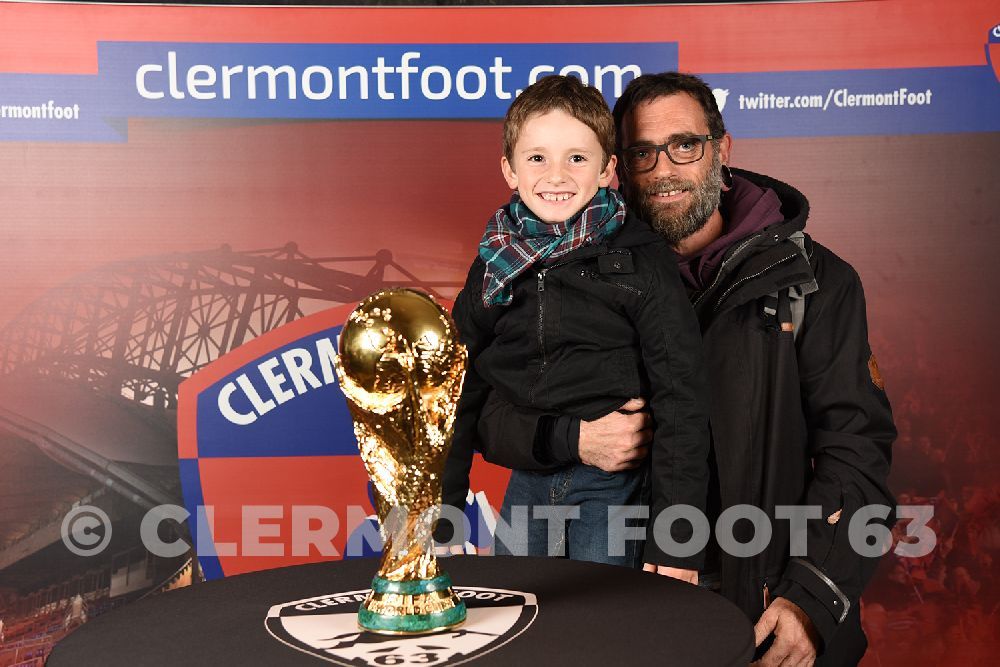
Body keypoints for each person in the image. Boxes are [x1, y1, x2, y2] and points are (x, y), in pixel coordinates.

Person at [456, 72, 896, 666]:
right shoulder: (558, 274)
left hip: (759, 598)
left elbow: (857, 452)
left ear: (722, 149)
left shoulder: (814, 283)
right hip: (618, 586)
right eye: (642, 153)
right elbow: (479, 406)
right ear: (619, 165)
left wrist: (812, 597)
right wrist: (573, 439)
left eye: (684, 146)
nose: (663, 170)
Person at [440, 75, 711, 581]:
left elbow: (683, 399)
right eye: (537, 157)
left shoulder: (641, 259)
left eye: (577, 158)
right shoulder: (494, 264)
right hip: (528, 481)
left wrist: (677, 541)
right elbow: (454, 391)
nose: (556, 175)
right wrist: (443, 518)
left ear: (609, 169)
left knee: (606, 633)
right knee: (521, 622)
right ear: (509, 170)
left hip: (615, 489)